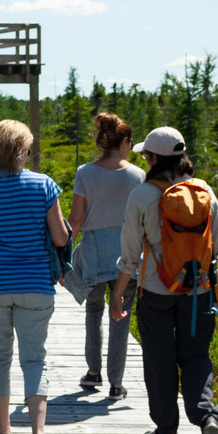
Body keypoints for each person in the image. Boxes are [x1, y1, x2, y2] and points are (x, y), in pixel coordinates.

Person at [111, 126, 218, 434]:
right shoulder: (205, 192)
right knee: (196, 356)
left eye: (147, 154)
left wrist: (118, 293)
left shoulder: (143, 196)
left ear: (155, 158)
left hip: (156, 292)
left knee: (159, 363)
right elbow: (215, 249)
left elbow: (130, 254)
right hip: (198, 292)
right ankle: (207, 418)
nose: (144, 158)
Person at [0, 119, 69, 434]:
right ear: (23, 152)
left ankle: (3, 429)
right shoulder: (44, 186)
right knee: (34, 359)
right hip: (36, 286)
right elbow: (60, 238)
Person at [64, 113, 145, 400]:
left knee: (94, 310)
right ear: (123, 142)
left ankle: (93, 372)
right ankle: (116, 383)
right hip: (128, 253)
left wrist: (64, 255)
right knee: (120, 315)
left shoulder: (84, 172)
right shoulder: (139, 176)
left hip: (94, 251)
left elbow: (75, 219)